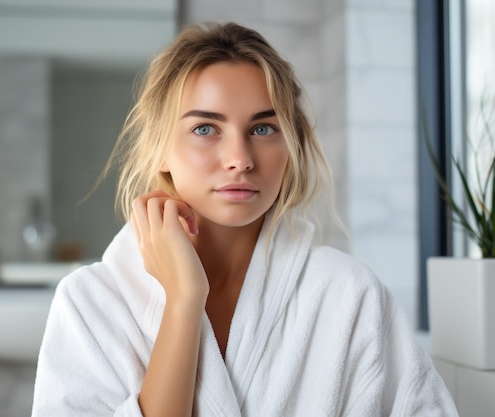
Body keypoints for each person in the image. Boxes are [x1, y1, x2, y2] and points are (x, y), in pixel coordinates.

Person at [31, 22, 458, 417]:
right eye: (205, 129)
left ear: (290, 146)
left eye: (262, 129)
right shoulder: (90, 304)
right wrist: (183, 299)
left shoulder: (349, 295)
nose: (239, 160)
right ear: (160, 147)